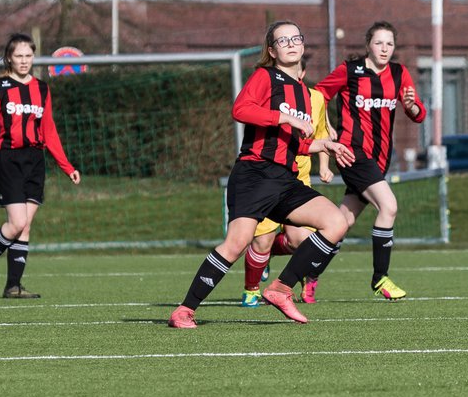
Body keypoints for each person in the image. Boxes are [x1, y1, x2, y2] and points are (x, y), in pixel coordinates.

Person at [169, 21, 355, 329]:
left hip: (286, 179)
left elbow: (294, 144)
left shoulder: (305, 95)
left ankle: (281, 289)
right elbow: (240, 110)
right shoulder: (265, 76)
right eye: (283, 41)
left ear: (304, 45)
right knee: (236, 244)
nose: (291, 43)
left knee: (336, 223)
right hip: (254, 174)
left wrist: (325, 145)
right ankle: (185, 310)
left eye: (296, 38)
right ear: (272, 50)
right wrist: (284, 116)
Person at [315, 20, 425, 301]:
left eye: (389, 43)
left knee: (341, 223)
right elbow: (317, 95)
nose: (384, 48)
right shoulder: (351, 71)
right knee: (389, 206)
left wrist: (412, 105)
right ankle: (380, 279)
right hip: (353, 154)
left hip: (380, 159)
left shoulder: (399, 73)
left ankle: (307, 273)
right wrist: (328, 129)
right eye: (379, 42)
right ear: (368, 45)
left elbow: (417, 113)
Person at [0, 32, 82, 299]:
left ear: (34, 57)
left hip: (35, 161)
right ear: (9, 58)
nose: (24, 61)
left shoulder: (42, 89)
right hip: (9, 159)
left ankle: (13, 286)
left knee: (26, 225)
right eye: (18, 56)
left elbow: (49, 131)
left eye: (28, 56)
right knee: (17, 222)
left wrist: (66, 166)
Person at [241, 59, 335, 307]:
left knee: (302, 240)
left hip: (299, 179)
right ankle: (251, 289)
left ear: (304, 71)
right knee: (262, 239)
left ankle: (280, 272)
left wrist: (324, 167)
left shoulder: (315, 99)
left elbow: (321, 136)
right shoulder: (272, 88)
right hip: (270, 177)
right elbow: (245, 112)